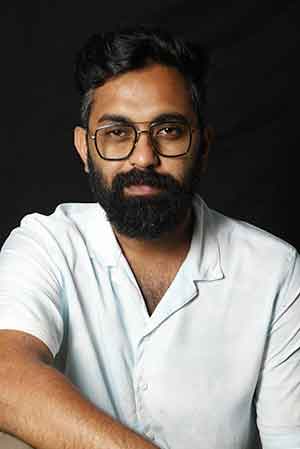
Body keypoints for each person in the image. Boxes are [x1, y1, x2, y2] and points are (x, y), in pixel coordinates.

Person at [0, 26, 299, 449]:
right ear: (85, 149)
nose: (144, 157)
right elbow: (5, 375)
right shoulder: (47, 243)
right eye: (117, 133)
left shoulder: (276, 270)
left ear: (204, 146)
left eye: (169, 131)